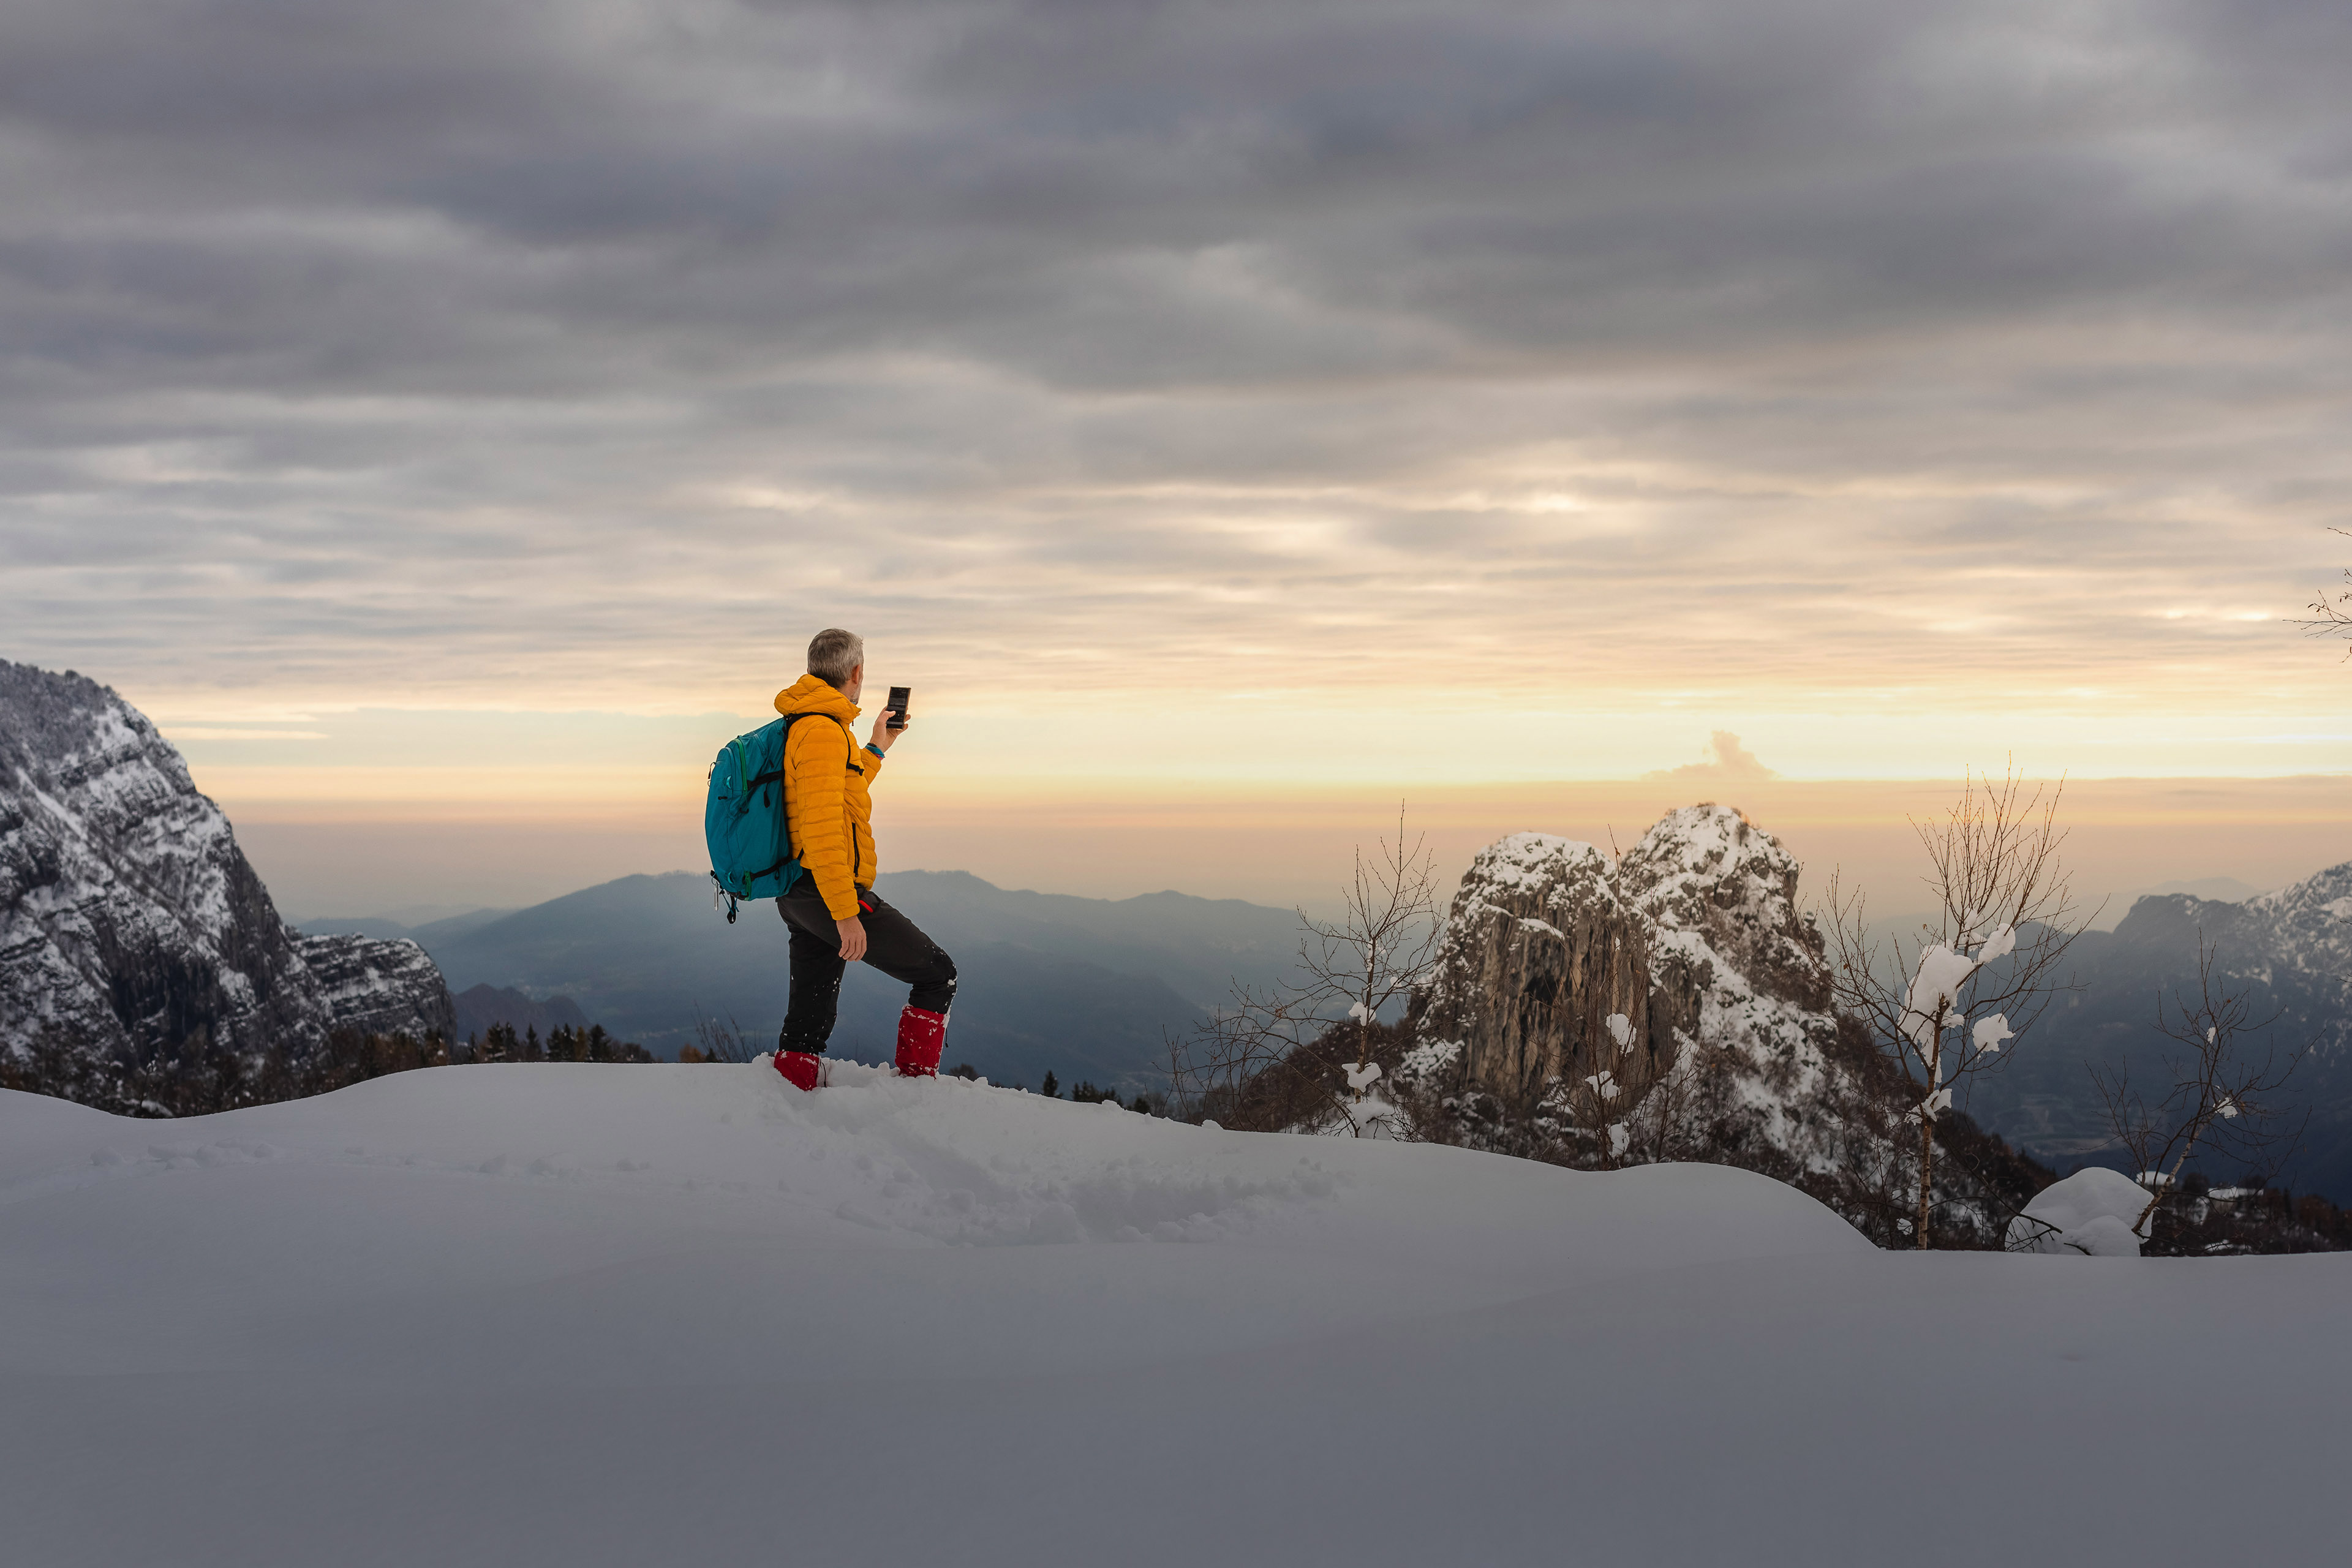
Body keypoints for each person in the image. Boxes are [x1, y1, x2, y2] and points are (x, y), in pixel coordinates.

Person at [768, 627, 956, 1091]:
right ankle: (917, 1087)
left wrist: (877, 746)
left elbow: (840, 798)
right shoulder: (823, 731)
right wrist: (846, 913)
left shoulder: (812, 723)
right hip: (825, 890)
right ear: (856, 673)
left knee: (809, 1014)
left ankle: (792, 1091)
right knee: (937, 975)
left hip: (799, 890)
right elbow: (824, 830)